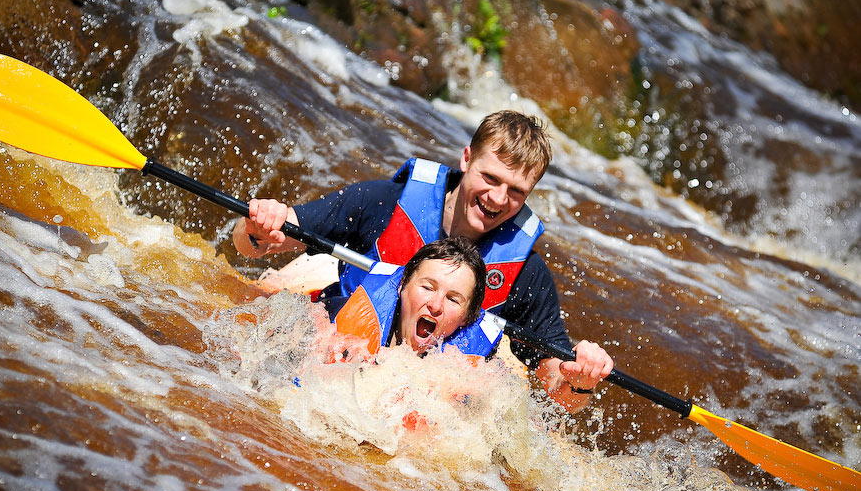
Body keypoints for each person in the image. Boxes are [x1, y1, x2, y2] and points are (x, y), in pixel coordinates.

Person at [234, 110, 613, 412]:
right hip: (340, 356)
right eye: (490, 178)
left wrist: (580, 379)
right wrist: (259, 224)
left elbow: (557, 387)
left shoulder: (526, 272)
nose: (498, 199)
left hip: (424, 400)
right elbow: (256, 243)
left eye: (516, 191)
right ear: (467, 159)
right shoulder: (384, 202)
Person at [333, 236, 495, 359]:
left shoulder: (482, 373)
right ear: (402, 285)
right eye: (427, 288)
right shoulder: (332, 317)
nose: (436, 306)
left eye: (452, 299)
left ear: (467, 317)